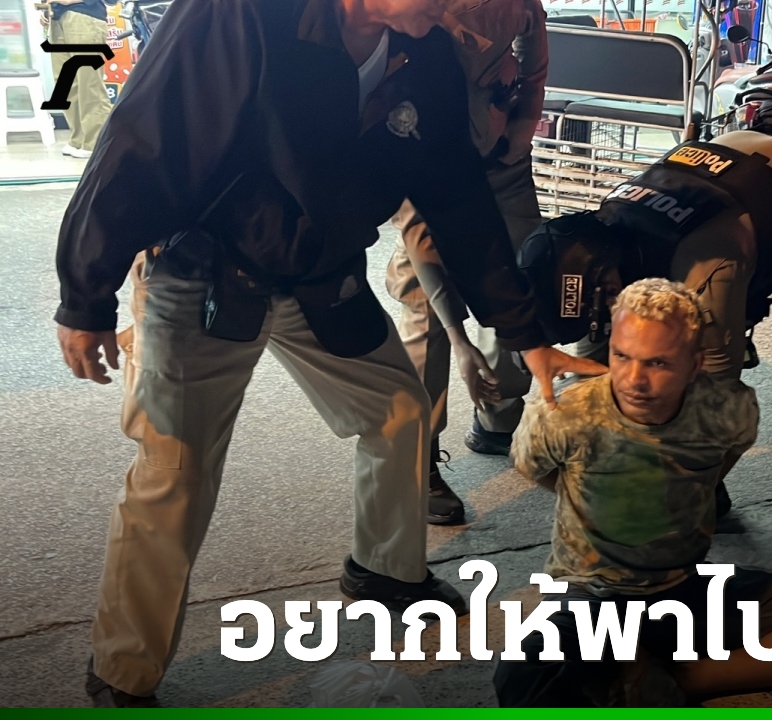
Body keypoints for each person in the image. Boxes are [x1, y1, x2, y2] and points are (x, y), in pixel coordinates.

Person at [53, 0, 602, 707]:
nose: (453, 9)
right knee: (175, 469)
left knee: (399, 412)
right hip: (205, 271)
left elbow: (458, 198)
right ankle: (123, 670)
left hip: (319, 275)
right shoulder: (240, 15)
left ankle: (384, 572)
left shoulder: (424, 51)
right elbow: (140, 139)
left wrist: (524, 334)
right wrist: (85, 296)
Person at [516, 107, 772, 588]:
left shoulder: (707, 265)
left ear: (609, 284)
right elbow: (596, 368)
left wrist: (675, 487)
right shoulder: (596, 247)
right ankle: (709, 489)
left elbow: (716, 396)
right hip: (745, 183)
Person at [494, 278, 772, 707]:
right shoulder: (564, 413)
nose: (633, 380)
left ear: (695, 365)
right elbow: (534, 469)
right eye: (621, 356)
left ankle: (670, 681)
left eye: (658, 363)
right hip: (591, 594)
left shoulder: (728, 409)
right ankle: (626, 670)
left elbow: (715, 470)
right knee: (523, 675)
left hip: (681, 587)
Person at [383, 0, 549, 525]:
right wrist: (460, 340)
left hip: (500, 150)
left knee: (522, 274)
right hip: (429, 155)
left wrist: (523, 125)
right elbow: (419, 226)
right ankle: (417, 462)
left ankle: (499, 415)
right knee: (427, 307)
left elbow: (534, 45)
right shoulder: (409, 24)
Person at [42, 0, 114, 157]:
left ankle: (95, 141)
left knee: (89, 82)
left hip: (84, 15)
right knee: (65, 84)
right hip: (57, 17)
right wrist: (46, 9)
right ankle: (79, 139)